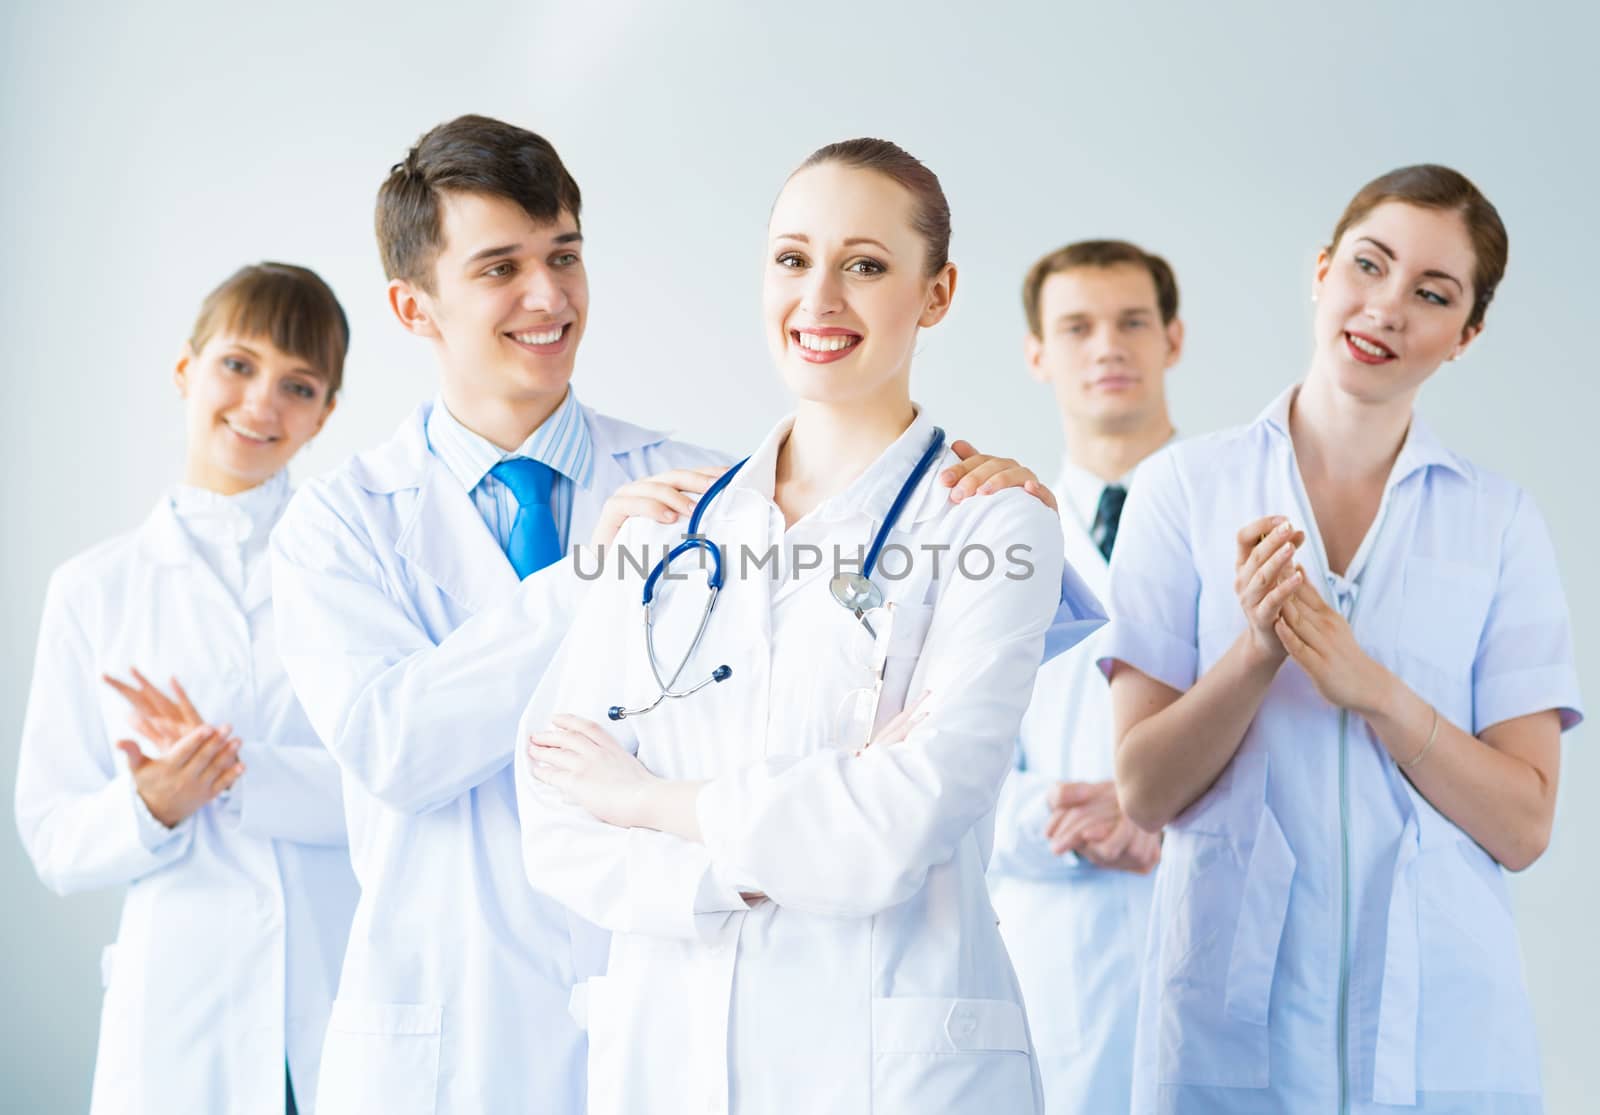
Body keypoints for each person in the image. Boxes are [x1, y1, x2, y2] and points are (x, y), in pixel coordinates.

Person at [268, 115, 1054, 1115]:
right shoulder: (344, 522)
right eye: (499, 267)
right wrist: (587, 576)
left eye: (564, 256)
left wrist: (655, 801)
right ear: (413, 307)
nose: (547, 296)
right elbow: (406, 751)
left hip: (688, 1015)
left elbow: (877, 805)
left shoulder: (696, 497)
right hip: (464, 1029)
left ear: (933, 291)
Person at [515, 138, 1104, 1115]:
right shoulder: (664, 528)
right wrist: (763, 858)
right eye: (793, 258)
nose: (819, 298)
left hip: (891, 1066)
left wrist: (653, 798)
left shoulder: (990, 522)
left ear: (937, 291)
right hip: (673, 1055)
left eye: (864, 264)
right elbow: (557, 821)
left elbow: (899, 823)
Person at [1103, 165, 1584, 1114]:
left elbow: (1524, 824)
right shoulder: (1183, 490)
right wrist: (1256, 651)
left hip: (1444, 1042)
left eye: (1433, 294)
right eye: (1369, 264)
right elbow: (1146, 790)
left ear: (1466, 336)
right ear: (1321, 271)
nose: (1388, 307)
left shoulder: (1498, 522)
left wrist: (1374, 688)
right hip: (1233, 1044)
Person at [15, 263, 359, 1115]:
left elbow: (390, 787)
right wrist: (151, 802)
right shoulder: (94, 588)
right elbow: (53, 835)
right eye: (238, 365)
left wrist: (239, 774)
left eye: (298, 384)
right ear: (186, 370)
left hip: (338, 987)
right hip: (179, 1008)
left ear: (325, 414)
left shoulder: (355, 575)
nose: (260, 403)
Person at [988, 239, 1180, 1113]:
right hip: (1051, 963)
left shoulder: (1247, 515)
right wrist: (1074, 817)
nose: (1108, 346)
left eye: (1132, 321)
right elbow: (941, 772)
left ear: (1173, 339)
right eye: (1078, 326)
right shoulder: (995, 536)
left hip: (1205, 923)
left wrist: (1166, 821)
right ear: (1037, 355)